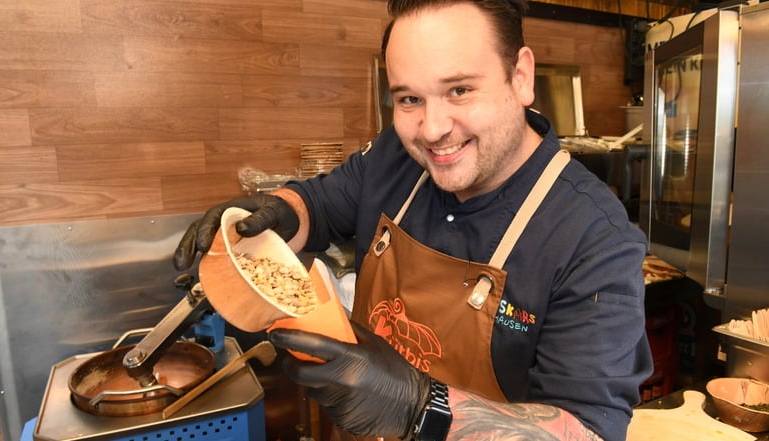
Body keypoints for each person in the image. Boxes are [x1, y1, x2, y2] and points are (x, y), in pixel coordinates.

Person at [174, 1, 654, 440]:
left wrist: (422, 408)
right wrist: (270, 216)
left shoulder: (593, 237)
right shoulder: (396, 158)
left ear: (521, 76)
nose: (432, 130)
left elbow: (588, 431)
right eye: (408, 100)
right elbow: (316, 207)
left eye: (460, 90)